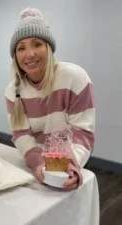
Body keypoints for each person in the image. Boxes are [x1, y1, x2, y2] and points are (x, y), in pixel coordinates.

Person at [5, 8, 95, 190]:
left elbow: (82, 132)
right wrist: (38, 164)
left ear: (49, 48)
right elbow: (22, 136)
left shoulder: (75, 78)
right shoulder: (12, 92)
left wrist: (70, 165)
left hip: (71, 163)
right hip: (35, 166)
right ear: (15, 57)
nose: (29, 54)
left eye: (37, 44)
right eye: (21, 48)